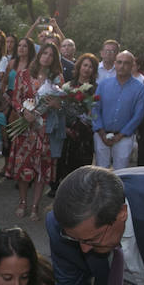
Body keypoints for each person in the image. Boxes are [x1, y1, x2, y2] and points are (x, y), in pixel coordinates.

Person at [7, 41, 56, 218]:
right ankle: (22, 201)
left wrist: (57, 104)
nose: (47, 57)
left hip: (44, 129)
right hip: (25, 127)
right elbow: (15, 99)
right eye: (45, 53)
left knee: (41, 168)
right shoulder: (23, 75)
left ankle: (35, 205)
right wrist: (23, 111)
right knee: (24, 166)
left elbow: (62, 102)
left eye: (51, 55)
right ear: (39, 55)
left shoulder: (56, 79)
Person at [92, 49, 144, 169]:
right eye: (119, 62)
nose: (122, 66)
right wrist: (101, 133)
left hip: (124, 137)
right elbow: (95, 109)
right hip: (102, 135)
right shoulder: (103, 85)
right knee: (100, 170)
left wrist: (120, 135)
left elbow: (138, 116)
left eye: (126, 63)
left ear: (132, 66)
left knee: (121, 173)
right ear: (115, 64)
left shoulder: (140, 89)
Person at [55, 53, 99, 186]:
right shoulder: (68, 86)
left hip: (83, 133)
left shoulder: (95, 89)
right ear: (79, 67)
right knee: (62, 158)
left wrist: (82, 124)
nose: (87, 69)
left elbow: (94, 111)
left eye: (91, 67)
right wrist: (66, 126)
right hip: (65, 129)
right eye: (85, 65)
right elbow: (60, 107)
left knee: (79, 162)